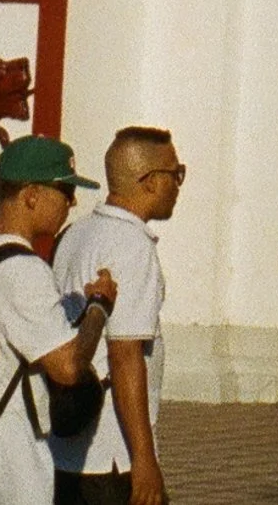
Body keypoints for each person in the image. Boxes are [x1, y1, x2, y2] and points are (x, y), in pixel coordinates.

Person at [0, 131, 118, 505]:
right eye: (65, 192)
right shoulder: (23, 269)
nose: (72, 202)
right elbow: (66, 367)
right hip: (8, 463)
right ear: (32, 194)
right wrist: (99, 306)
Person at [52, 123, 184, 505]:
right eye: (175, 174)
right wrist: (144, 459)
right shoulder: (132, 246)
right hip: (113, 458)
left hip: (68, 453)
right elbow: (124, 356)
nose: (178, 184)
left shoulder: (76, 234)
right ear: (149, 181)